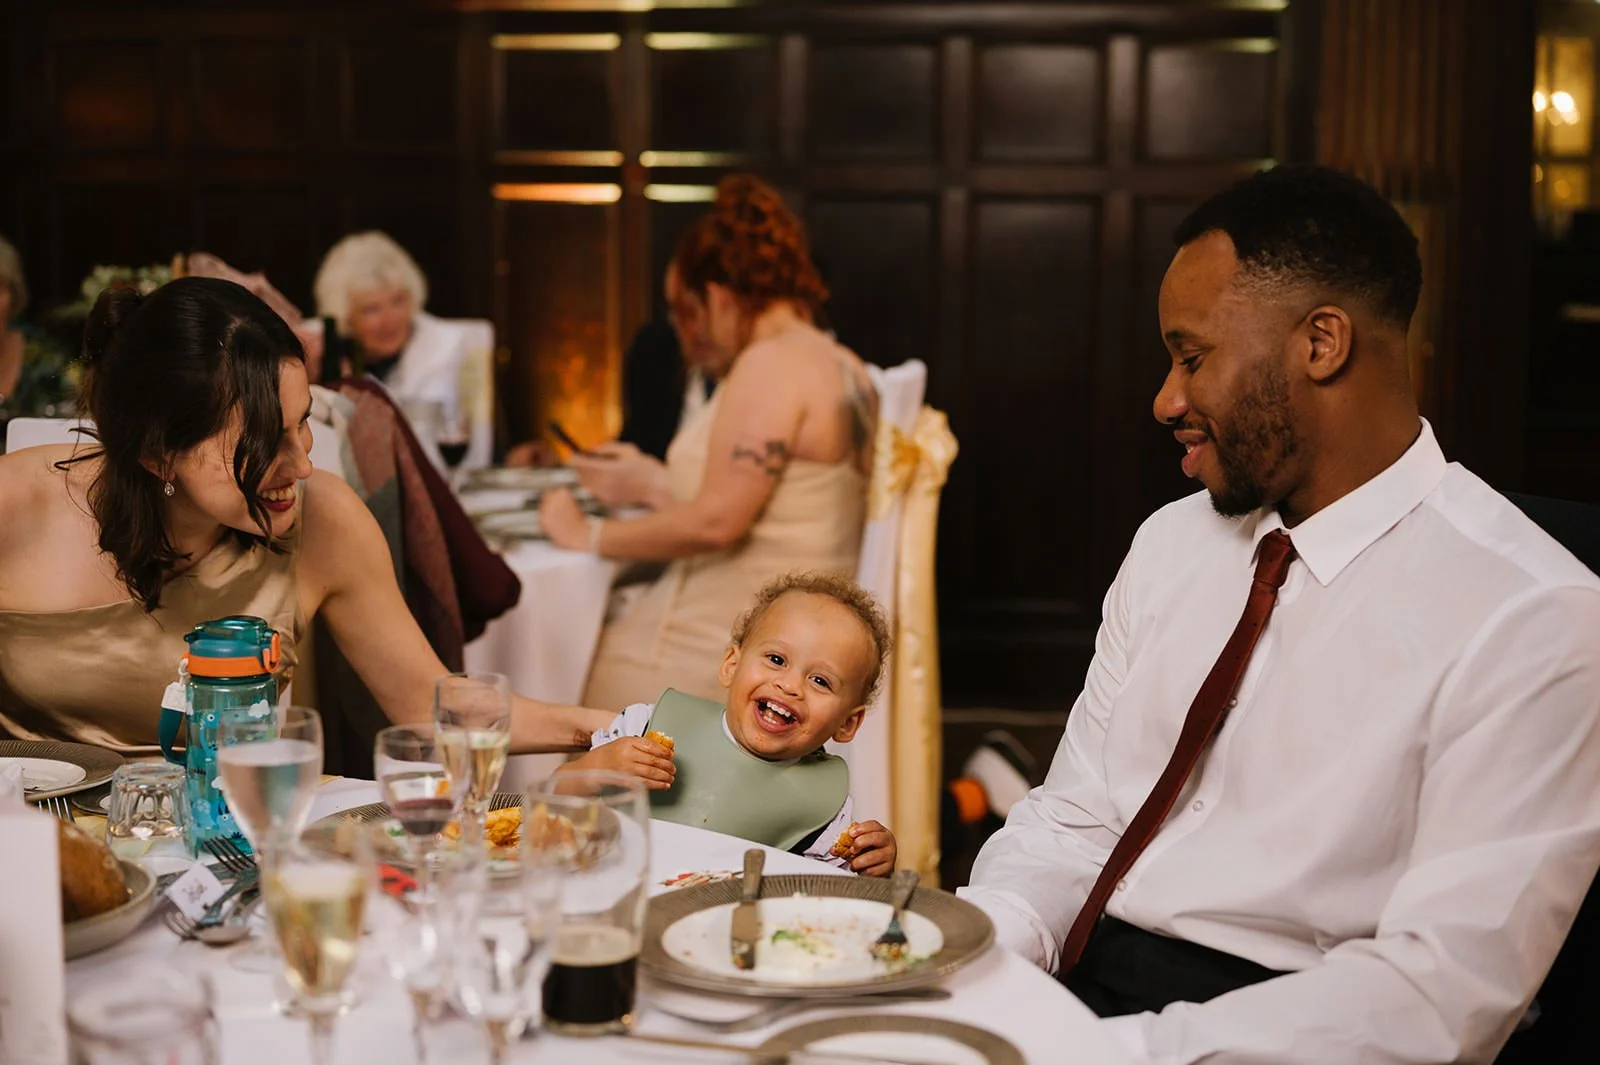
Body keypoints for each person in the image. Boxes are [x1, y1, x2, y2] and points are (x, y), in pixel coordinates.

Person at [958, 165, 1600, 1064]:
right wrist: (969, 952)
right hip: (1088, 985)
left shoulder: (1534, 615)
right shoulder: (1172, 543)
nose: (1165, 400)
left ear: (1322, 342)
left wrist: (1112, 1053)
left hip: (1297, 1028)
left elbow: (1434, 998)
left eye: (1192, 357)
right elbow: (1078, 815)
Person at [0, 277, 610, 755]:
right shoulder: (15, 505)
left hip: (217, 844)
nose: (302, 466)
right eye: (266, 441)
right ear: (160, 453)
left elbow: (430, 706)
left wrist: (604, 728)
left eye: (303, 422)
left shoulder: (325, 522)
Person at [542, 175, 878, 710]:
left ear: (721, 298)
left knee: (555, 668)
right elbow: (785, 504)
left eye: (687, 312)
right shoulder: (844, 365)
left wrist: (590, 534)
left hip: (725, 644)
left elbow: (717, 521)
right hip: (792, 630)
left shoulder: (771, 363)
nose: (686, 336)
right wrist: (657, 485)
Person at [568, 572, 898, 876]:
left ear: (848, 723)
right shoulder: (644, 726)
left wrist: (871, 863)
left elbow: (831, 895)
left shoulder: (824, 810)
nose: (790, 685)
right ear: (731, 664)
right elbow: (549, 804)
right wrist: (599, 766)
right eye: (777, 660)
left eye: (820, 681)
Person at [312, 231, 490, 473]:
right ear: (346, 316)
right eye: (371, 309)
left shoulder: (446, 348)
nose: (390, 320)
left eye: (397, 301)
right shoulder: (320, 356)